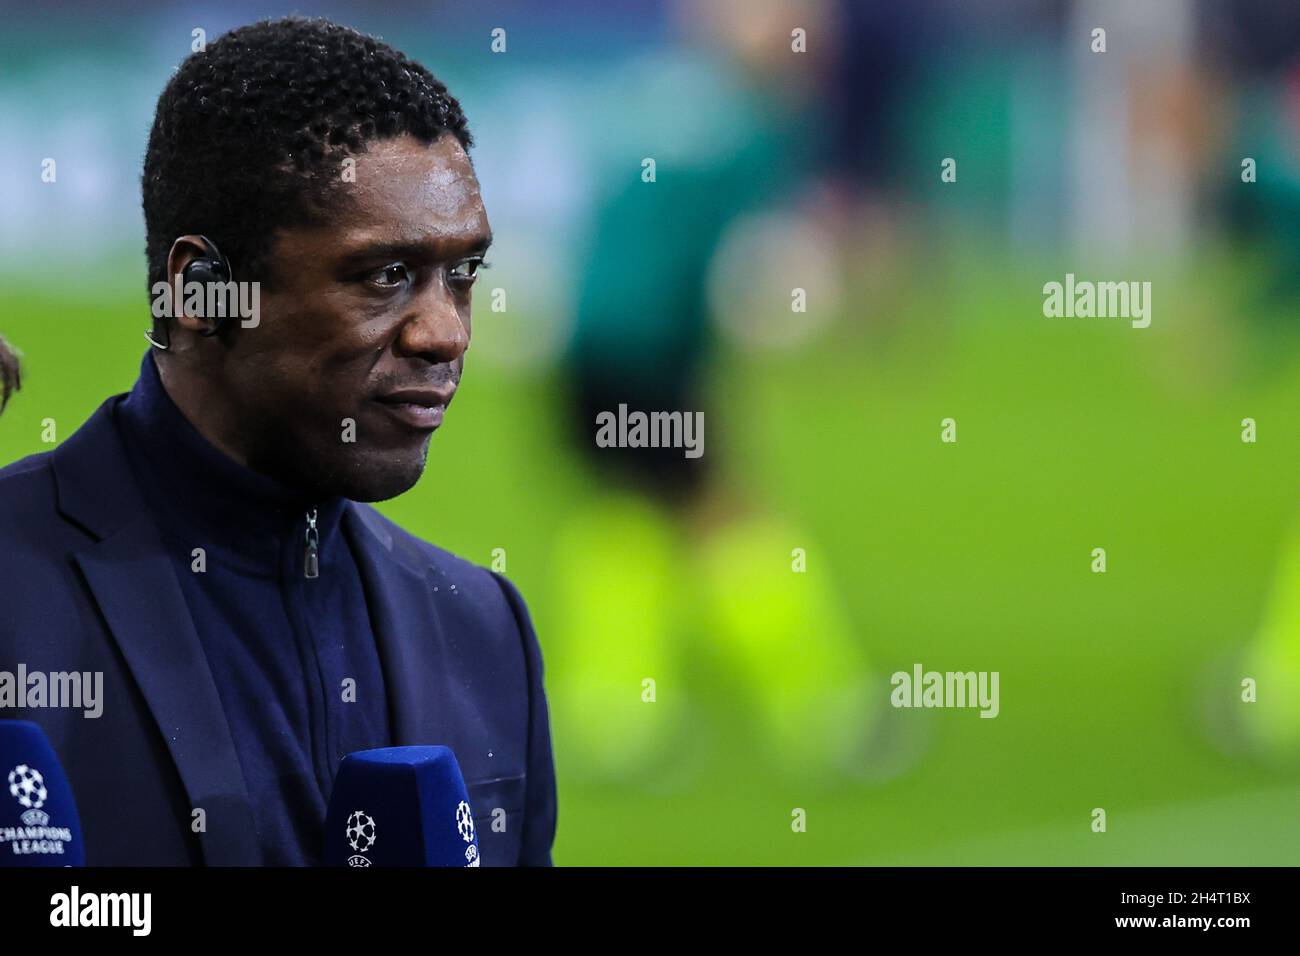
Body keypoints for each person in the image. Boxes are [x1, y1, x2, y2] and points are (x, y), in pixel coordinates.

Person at [0, 16, 556, 866]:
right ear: (204, 292)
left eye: (464, 275)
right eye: (385, 276)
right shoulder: (15, 593)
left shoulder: (485, 634)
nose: (445, 333)